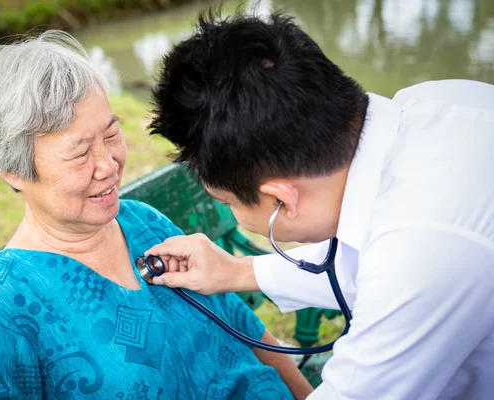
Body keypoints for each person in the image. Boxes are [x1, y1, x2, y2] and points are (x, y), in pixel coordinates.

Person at [0, 30, 314, 399]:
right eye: (79, 153)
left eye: (111, 135)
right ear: (14, 171)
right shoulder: (3, 304)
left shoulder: (141, 221)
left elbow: (239, 323)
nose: (108, 165)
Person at [146, 11, 494, 400]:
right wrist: (237, 271)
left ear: (282, 199)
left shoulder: (422, 252)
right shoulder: (438, 102)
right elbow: (366, 265)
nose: (236, 218)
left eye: (227, 202)